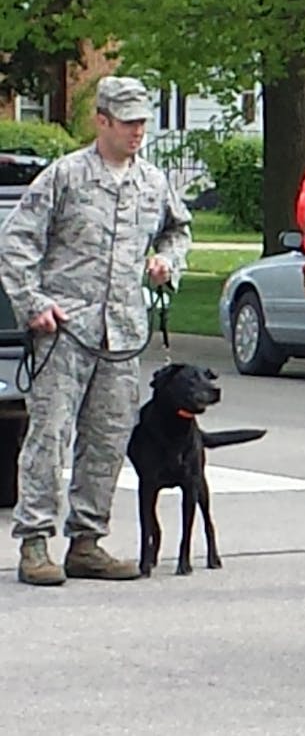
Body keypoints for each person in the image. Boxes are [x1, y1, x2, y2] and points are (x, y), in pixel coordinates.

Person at [0, 76, 190, 586]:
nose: (137, 132)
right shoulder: (66, 177)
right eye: (127, 122)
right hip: (66, 330)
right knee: (50, 435)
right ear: (101, 121)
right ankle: (35, 542)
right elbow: (15, 241)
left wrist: (167, 262)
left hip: (122, 333)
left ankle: (87, 541)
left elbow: (178, 229)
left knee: (107, 440)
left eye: (142, 123)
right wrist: (32, 303)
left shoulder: (151, 182)